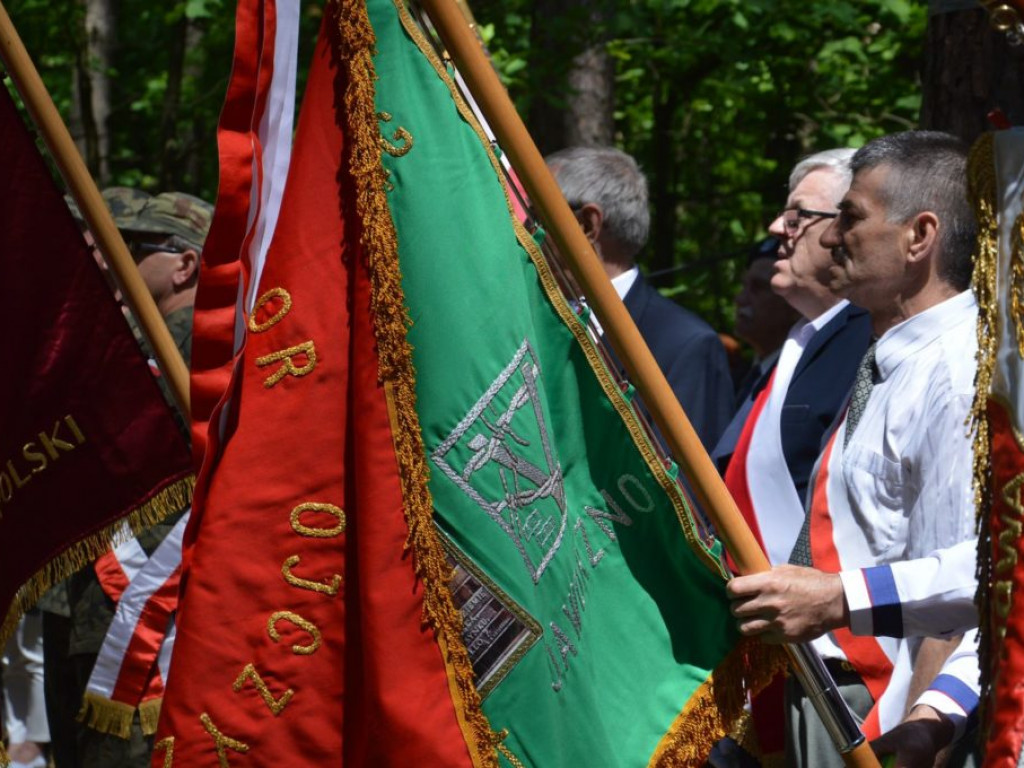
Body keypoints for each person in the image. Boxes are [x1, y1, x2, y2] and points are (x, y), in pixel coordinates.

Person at [726, 131, 980, 766]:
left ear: (919, 237)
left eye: (852, 216)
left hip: (884, 706)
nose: (833, 236)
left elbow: (978, 577)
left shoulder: (956, 370)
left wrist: (927, 725)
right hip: (831, 687)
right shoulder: (889, 357)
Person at [58, 191, 211, 768]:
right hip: (111, 608)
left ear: (184, 264)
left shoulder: (208, 347)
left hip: (157, 617)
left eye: (133, 246)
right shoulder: (138, 345)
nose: (113, 257)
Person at [546, 146, 734, 451]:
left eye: (534, 214)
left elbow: (687, 490)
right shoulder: (535, 323)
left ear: (586, 225)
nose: (524, 231)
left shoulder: (685, 346)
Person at [731, 236, 801, 405]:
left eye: (758, 288)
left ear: (794, 305)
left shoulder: (798, 383)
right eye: (744, 286)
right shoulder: (741, 376)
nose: (740, 299)